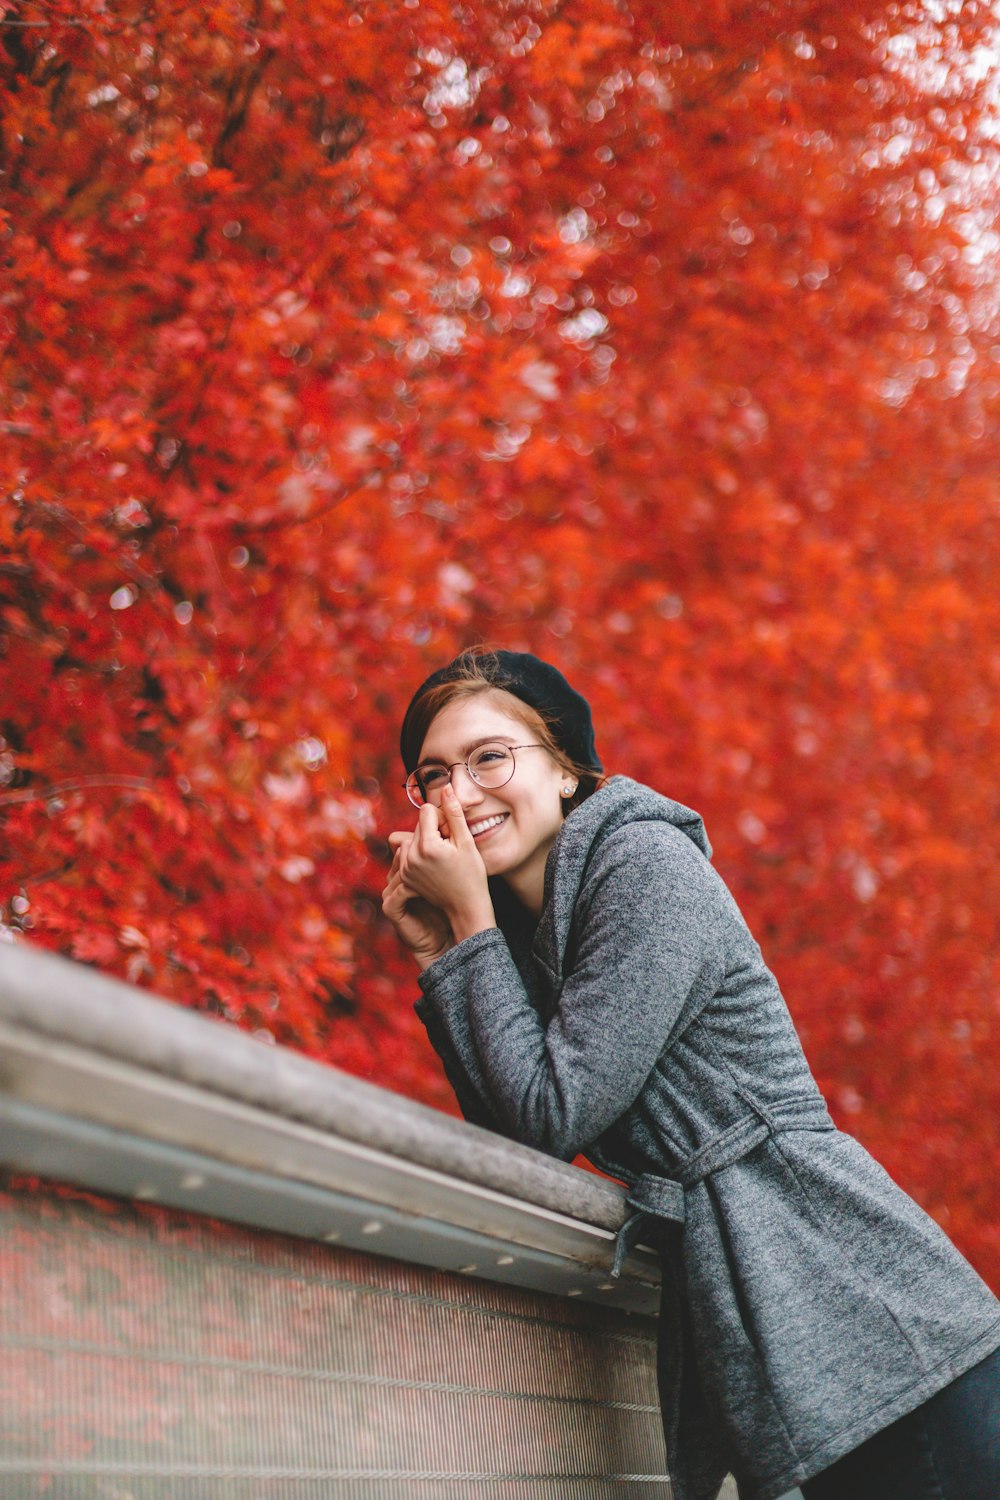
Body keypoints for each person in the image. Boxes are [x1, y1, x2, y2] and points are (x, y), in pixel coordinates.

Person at [381, 646, 1000, 1500]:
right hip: (806, 1338)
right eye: (433, 774)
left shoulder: (643, 867)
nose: (460, 793)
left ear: (565, 770)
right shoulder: (545, 933)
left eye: (490, 756)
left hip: (872, 1328)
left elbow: (550, 1112)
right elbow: (515, 1142)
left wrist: (470, 925)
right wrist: (442, 951)